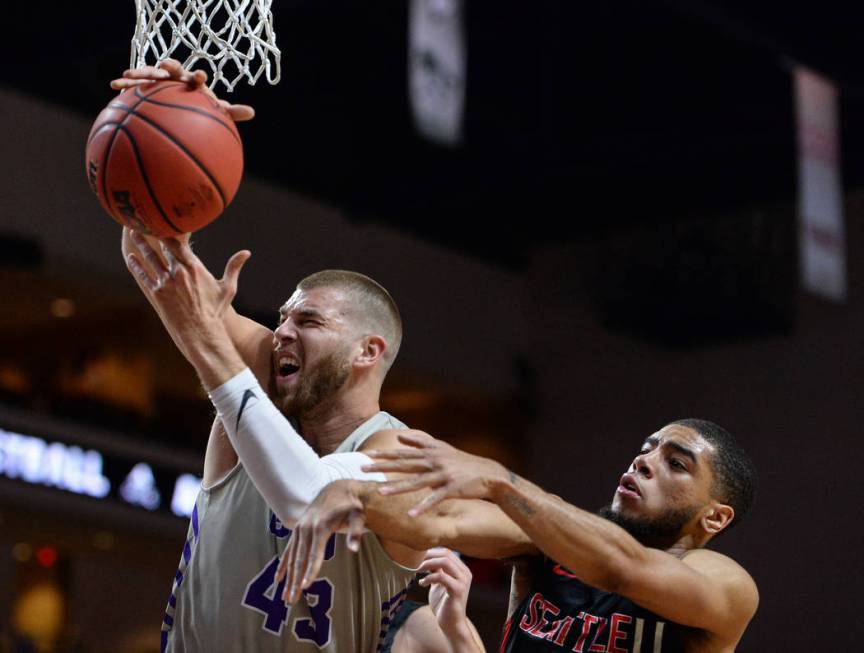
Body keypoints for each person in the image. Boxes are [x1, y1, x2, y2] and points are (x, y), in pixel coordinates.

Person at [115, 59, 520, 653]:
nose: (281, 331)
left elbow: (307, 492)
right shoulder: (267, 374)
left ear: (368, 352)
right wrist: (167, 134)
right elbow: (157, 263)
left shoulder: (398, 457)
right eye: (281, 317)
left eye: (306, 320)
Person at [277, 419, 759, 652]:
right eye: (646, 449)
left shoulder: (725, 585)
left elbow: (623, 568)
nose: (644, 461)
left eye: (675, 463)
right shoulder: (549, 539)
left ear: (714, 518)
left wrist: (498, 479)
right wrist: (352, 493)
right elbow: (436, 518)